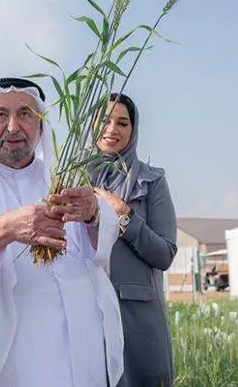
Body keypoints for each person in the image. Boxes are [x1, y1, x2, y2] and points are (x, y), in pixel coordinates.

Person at [0, 78, 124, 387]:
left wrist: (94, 214)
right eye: (1, 114)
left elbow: (101, 246)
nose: (13, 126)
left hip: (77, 348)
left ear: (40, 124)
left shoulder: (61, 174)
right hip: (11, 355)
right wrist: (4, 229)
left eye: (26, 114)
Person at [88, 92, 177, 387]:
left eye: (122, 122)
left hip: (136, 315)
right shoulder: (72, 178)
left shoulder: (151, 181)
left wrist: (123, 215)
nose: (112, 129)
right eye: (105, 119)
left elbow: (164, 254)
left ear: (133, 130)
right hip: (85, 312)